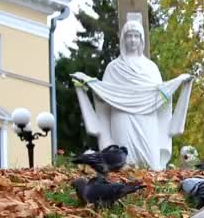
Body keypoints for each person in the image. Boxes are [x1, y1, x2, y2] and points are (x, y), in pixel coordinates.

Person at [71, 20, 194, 170]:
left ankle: (151, 188)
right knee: (124, 160)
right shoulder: (113, 68)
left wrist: (178, 82)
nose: (133, 40)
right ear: (123, 39)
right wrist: (88, 83)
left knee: (151, 163)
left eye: (136, 36)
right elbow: (104, 95)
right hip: (122, 117)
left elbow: (160, 96)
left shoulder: (151, 68)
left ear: (141, 39)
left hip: (147, 118)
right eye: (129, 36)